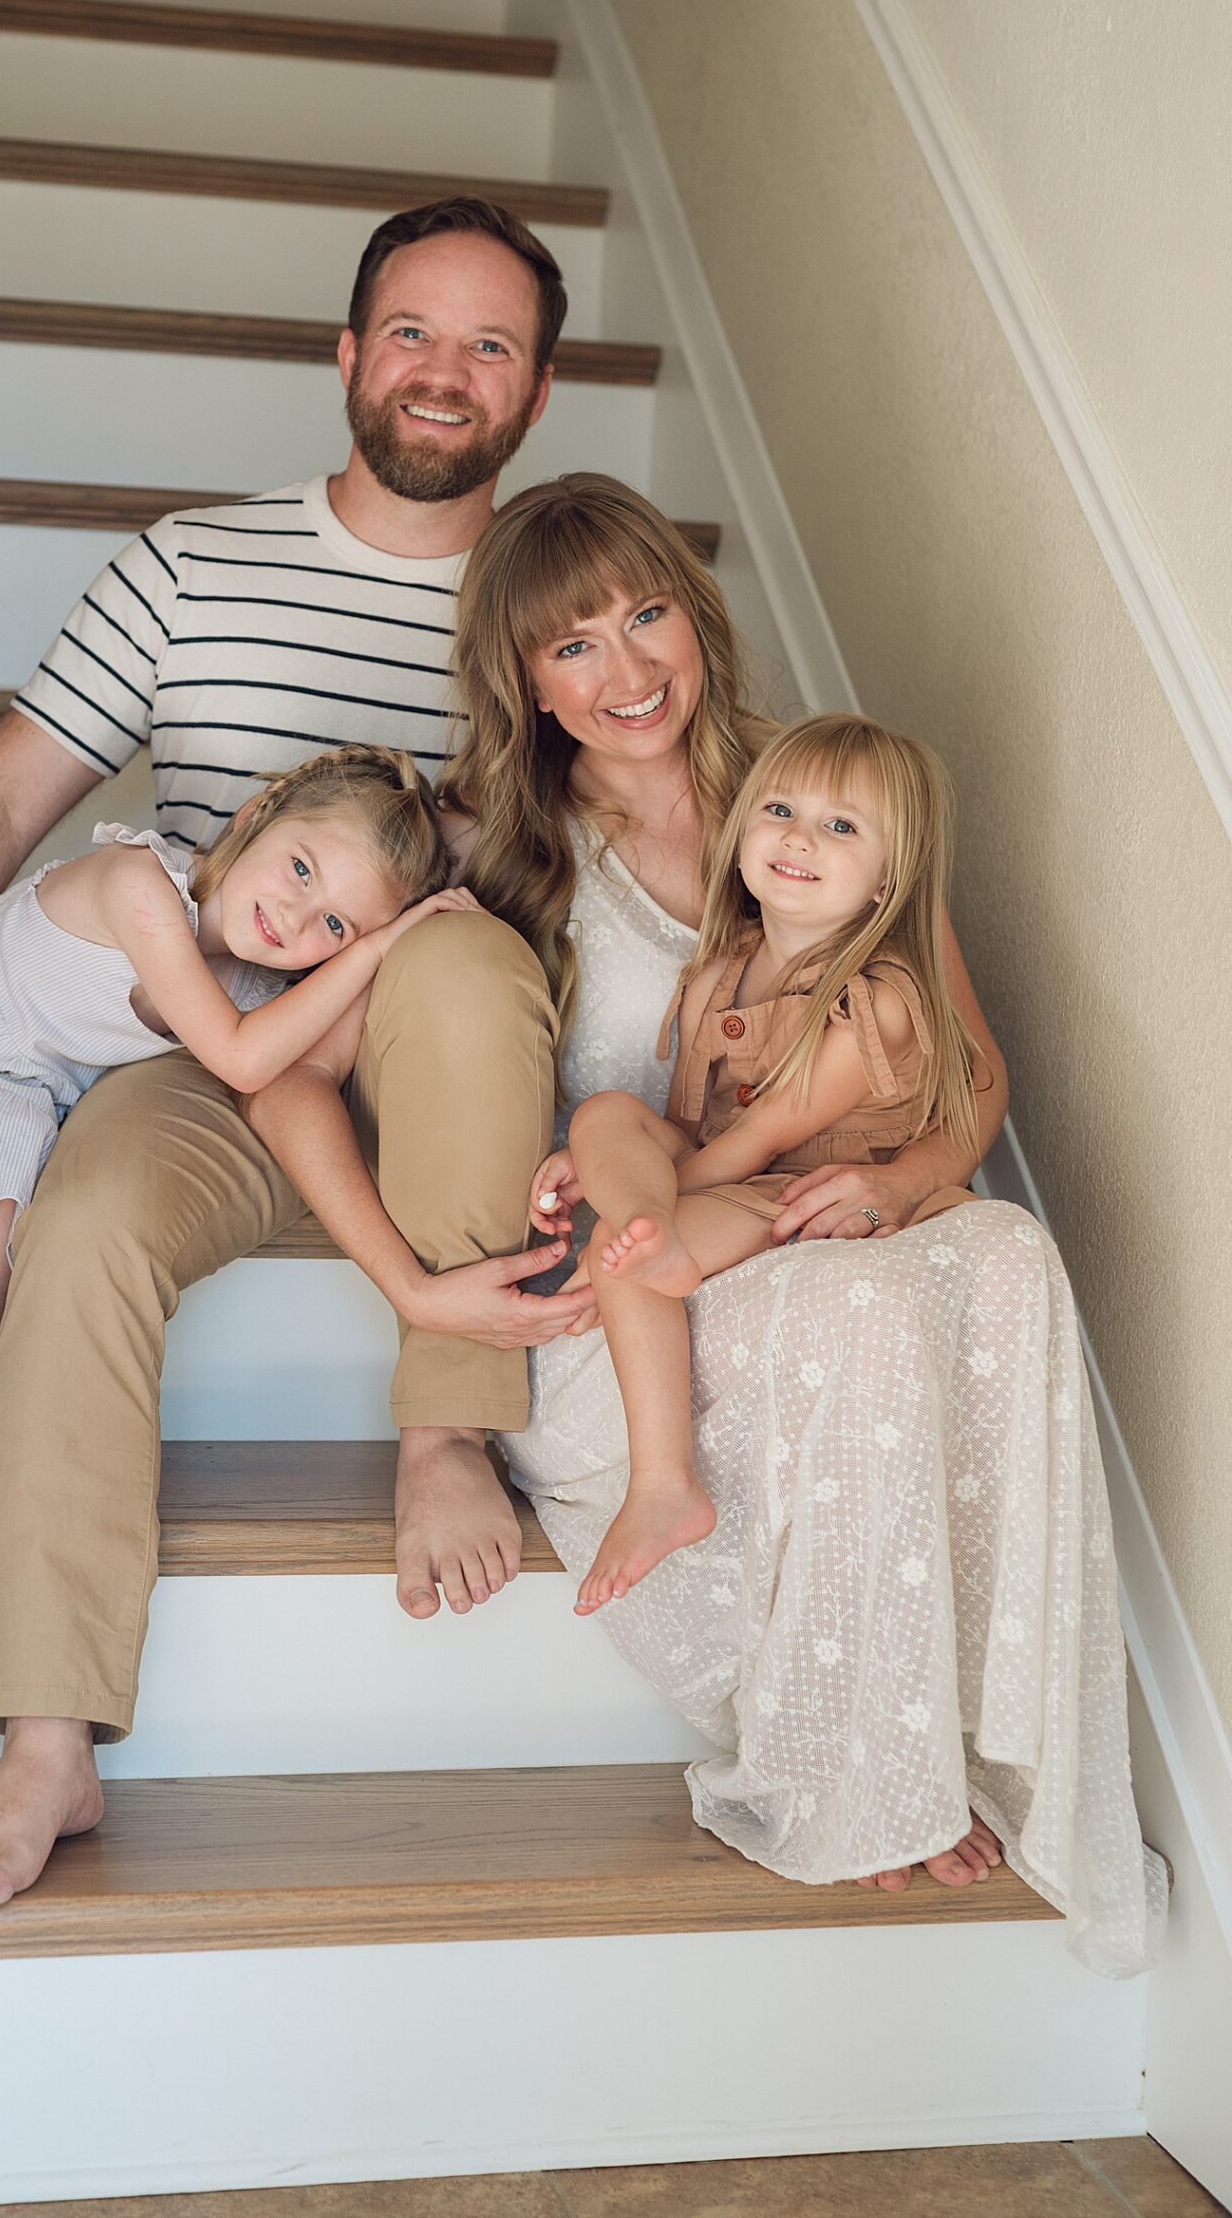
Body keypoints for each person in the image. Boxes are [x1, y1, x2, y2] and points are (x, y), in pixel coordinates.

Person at [0, 197, 598, 1910]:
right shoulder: (190, 564)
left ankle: (447, 1429)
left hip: (448, 1060)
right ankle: (47, 1737)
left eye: (489, 346)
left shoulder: (552, 610)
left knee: (458, 955)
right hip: (213, 1039)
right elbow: (2, 798)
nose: (442, 371)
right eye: (411, 331)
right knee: (82, 1214)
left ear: (534, 392)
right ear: (348, 354)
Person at [249, 473, 1162, 1975]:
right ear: (523, 681)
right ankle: (856, 1764)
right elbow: (287, 1070)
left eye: (647, 616)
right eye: (573, 646)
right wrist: (411, 1286)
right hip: (628, 1282)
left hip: (794, 1213)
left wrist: (903, 1185)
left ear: (698, 615)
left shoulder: (810, 788)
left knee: (1004, 1251)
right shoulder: (483, 848)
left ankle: (956, 1731)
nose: (626, 673)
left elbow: (973, 1068)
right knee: (853, 1301)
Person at [0, 749, 468, 1511]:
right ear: (254, 818)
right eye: (300, 869)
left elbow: (291, 1060)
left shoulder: (257, 980)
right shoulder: (139, 884)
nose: (294, 916)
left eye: (335, 924)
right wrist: (373, 945)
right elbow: (242, 1060)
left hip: (11, 1097)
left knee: (1, 1216)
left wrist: (386, 942)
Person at [534, 714, 988, 1612]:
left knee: (627, 1262)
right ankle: (643, 1226)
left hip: (803, 1189)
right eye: (779, 810)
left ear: (886, 879)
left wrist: (632, 1214)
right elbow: (684, 1127)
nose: (799, 838)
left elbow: (755, 1145)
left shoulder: (880, 1001)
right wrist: (616, 1165)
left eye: (840, 826)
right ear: (741, 830)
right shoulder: (715, 972)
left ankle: (663, 1486)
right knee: (604, 1113)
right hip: (731, 1170)